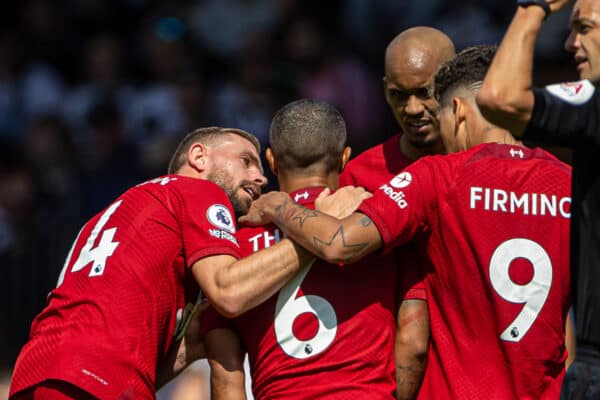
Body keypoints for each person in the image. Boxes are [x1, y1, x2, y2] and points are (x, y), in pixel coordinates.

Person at [242, 45, 572, 399]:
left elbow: (339, 242)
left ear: (457, 112)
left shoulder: (441, 175)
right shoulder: (569, 183)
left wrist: (278, 205)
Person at [8, 126, 324, 400]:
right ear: (199, 158)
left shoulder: (120, 211)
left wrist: (193, 345)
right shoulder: (199, 190)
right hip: (96, 377)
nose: (260, 177)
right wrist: (317, 236)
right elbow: (229, 291)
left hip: (41, 371)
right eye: (246, 161)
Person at [203, 99, 399, 399]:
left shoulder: (232, 250)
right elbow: (414, 343)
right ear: (345, 158)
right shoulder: (378, 224)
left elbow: (225, 374)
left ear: (271, 160)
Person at [476, 1, 600, 397]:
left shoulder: (595, 106)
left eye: (583, 28)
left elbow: (500, 98)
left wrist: (534, 9)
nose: (569, 43)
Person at [339, 26, 455, 399]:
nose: (412, 109)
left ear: (453, 83)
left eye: (425, 93)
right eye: (398, 95)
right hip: (390, 375)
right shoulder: (358, 175)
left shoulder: (488, 166)